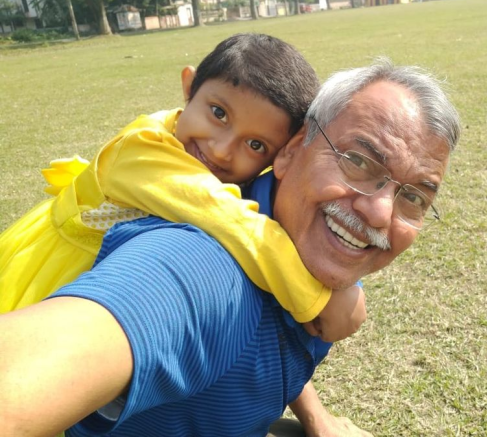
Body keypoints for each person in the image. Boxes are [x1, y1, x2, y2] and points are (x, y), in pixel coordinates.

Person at [0, 58, 461, 437]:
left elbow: (272, 333)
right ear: (291, 151)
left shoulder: (315, 245)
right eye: (357, 161)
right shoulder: (204, 267)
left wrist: (316, 417)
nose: (379, 213)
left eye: (415, 197)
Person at [0, 32, 360, 341]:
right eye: (219, 113)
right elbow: (228, 219)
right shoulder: (142, 151)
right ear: (189, 87)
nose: (221, 149)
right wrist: (316, 298)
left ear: (279, 155)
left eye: (255, 145)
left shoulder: (209, 159)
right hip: (53, 274)